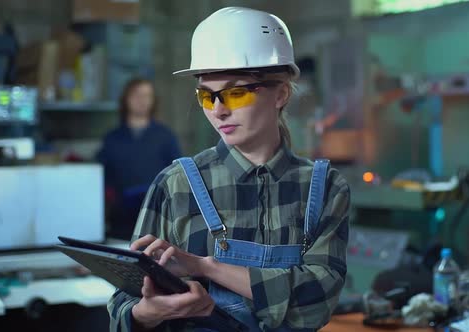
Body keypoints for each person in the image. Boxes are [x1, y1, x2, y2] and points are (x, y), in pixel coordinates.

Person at [107, 7, 350, 331]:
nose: (219, 111)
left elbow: (317, 301)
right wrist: (148, 313)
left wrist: (205, 267)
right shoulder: (176, 186)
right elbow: (122, 309)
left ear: (281, 93)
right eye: (207, 97)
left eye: (235, 93)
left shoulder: (323, 189)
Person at [97, 78, 181, 240]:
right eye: (137, 95)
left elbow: (178, 175)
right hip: (120, 222)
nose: (142, 100)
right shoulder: (112, 138)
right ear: (126, 99)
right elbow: (102, 177)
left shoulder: (165, 135)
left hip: (156, 219)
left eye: (147, 96)